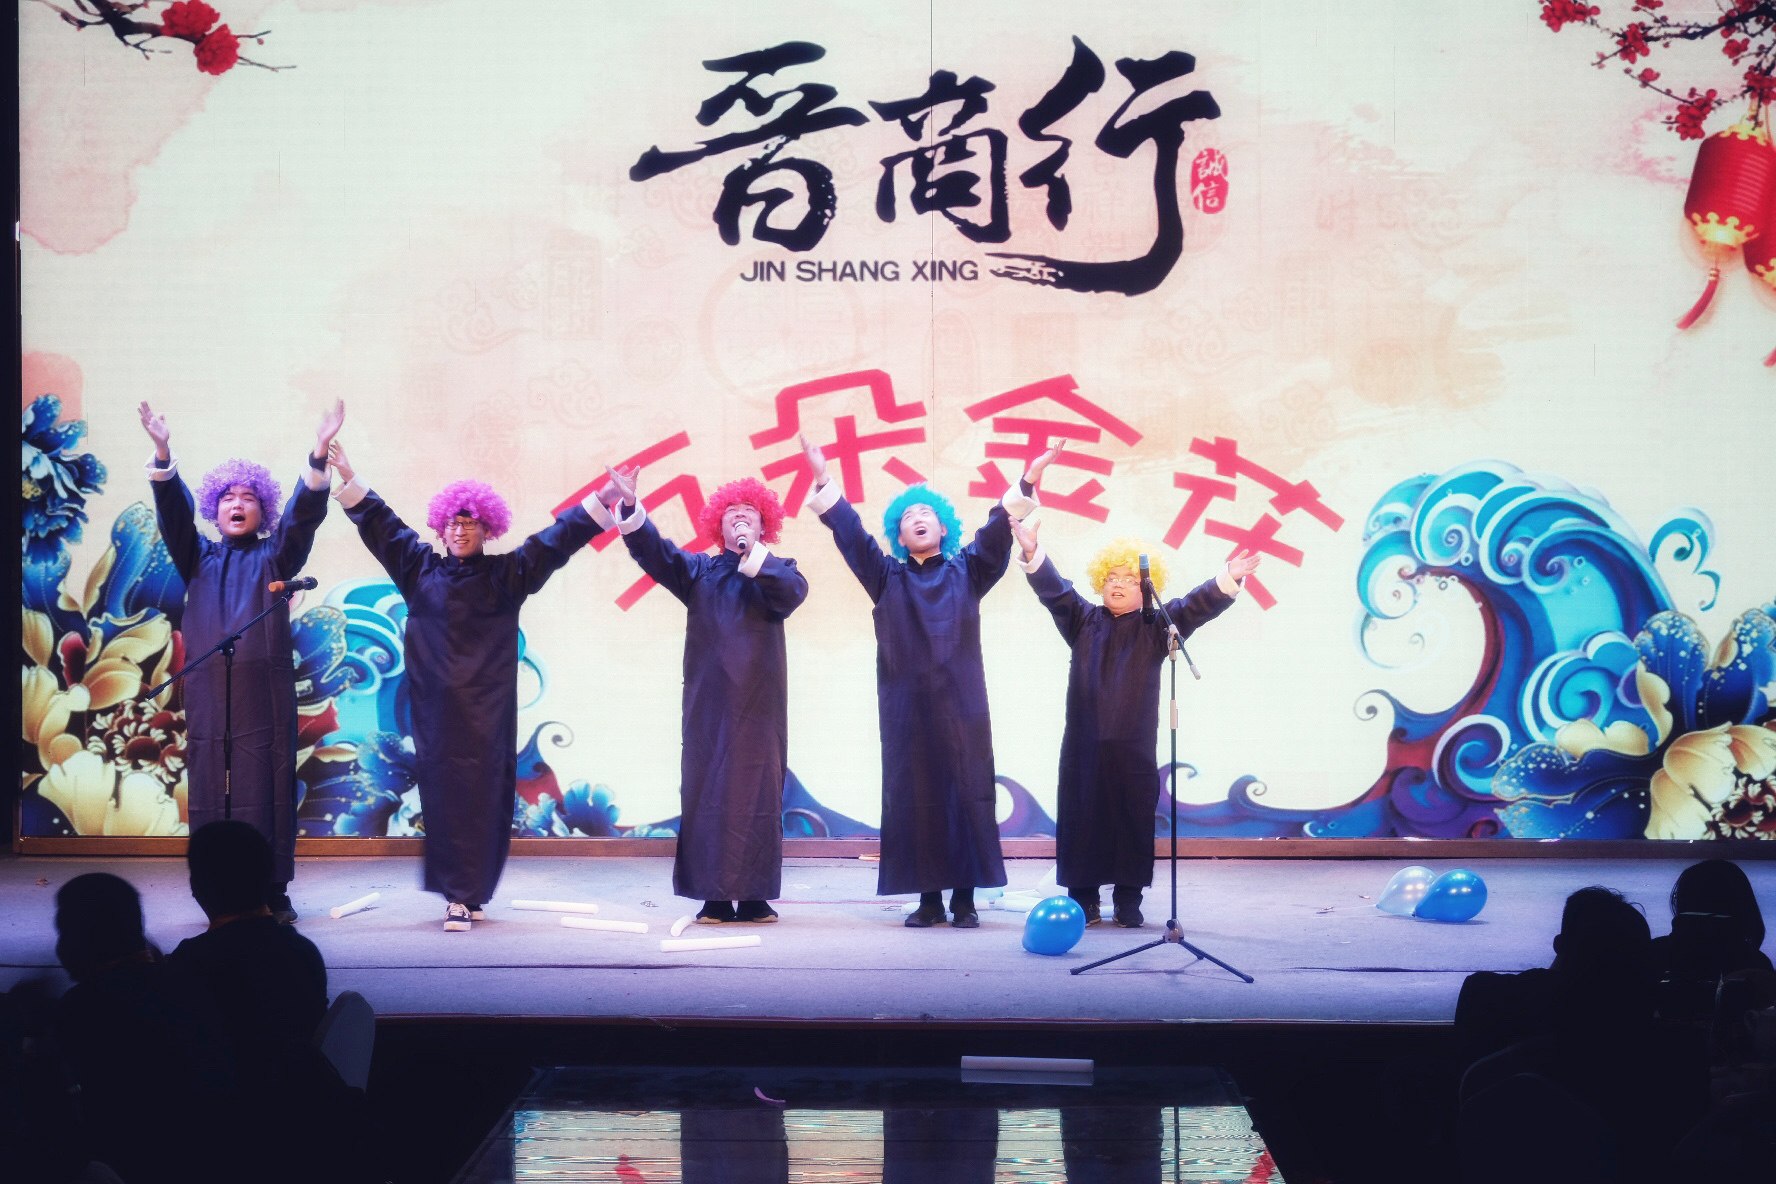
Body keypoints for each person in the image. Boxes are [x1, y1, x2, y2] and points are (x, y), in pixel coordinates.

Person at [330, 443, 627, 930]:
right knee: (444, 800)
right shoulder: (419, 569)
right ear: (440, 528)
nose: (460, 530)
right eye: (452, 522)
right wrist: (348, 475)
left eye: (470, 522)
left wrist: (604, 498)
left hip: (488, 713)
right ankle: (458, 895)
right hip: (435, 714)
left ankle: (471, 892)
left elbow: (556, 540)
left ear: (488, 528)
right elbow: (383, 525)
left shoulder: (507, 574)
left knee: (486, 801)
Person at [804, 436, 1055, 928]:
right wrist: (823, 479)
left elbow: (995, 532)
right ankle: (929, 900)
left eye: (926, 513)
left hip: (962, 708)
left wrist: (1028, 479)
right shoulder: (886, 577)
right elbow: (851, 536)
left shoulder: (968, 571)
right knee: (917, 799)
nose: (917, 518)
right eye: (907, 517)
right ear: (899, 536)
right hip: (907, 713)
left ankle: (964, 900)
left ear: (943, 527)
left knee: (967, 795)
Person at [140, 399, 345, 924]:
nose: (237, 504)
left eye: (248, 498)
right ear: (215, 509)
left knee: (265, 786)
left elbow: (302, 519)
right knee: (212, 787)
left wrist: (318, 452)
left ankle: (272, 888)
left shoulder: (275, 556)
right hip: (210, 689)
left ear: (262, 510)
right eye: (228, 497)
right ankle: (218, 889)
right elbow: (173, 514)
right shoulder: (197, 556)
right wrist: (163, 452)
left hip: (263, 692)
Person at [1008, 526, 1258, 927]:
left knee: (1132, 819)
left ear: (1147, 589)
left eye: (1129, 579)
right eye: (1111, 578)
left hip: (1134, 749)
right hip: (1084, 750)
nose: (1118, 585)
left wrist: (1228, 576)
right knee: (1082, 819)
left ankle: (1128, 900)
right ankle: (1084, 900)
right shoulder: (1082, 619)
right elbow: (1054, 591)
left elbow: (1196, 605)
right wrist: (1033, 550)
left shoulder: (1157, 626)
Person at [608, 471, 809, 923]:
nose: (740, 518)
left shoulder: (779, 570)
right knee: (708, 794)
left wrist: (753, 556)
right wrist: (631, 507)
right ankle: (714, 897)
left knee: (758, 796)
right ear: (718, 525)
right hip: (709, 707)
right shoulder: (698, 572)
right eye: (731, 513)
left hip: (760, 708)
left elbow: (792, 594)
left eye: (749, 513)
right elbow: (654, 552)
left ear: (764, 525)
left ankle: (755, 896)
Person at [53, 873, 234, 1184]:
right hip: (217, 1156)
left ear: (77, 940)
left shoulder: (83, 1007)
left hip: (132, 1164)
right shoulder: (189, 984)